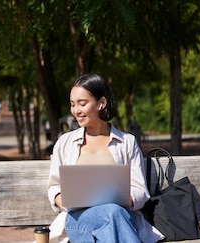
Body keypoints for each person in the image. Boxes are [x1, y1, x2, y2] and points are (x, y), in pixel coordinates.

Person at [46, 74, 164, 243]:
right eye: (73, 104)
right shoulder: (65, 143)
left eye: (82, 103)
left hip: (119, 218)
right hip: (77, 220)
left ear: (101, 103)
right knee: (112, 213)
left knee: (112, 214)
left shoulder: (126, 142)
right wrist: (68, 200)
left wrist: (118, 201)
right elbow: (54, 188)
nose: (76, 110)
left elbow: (140, 191)